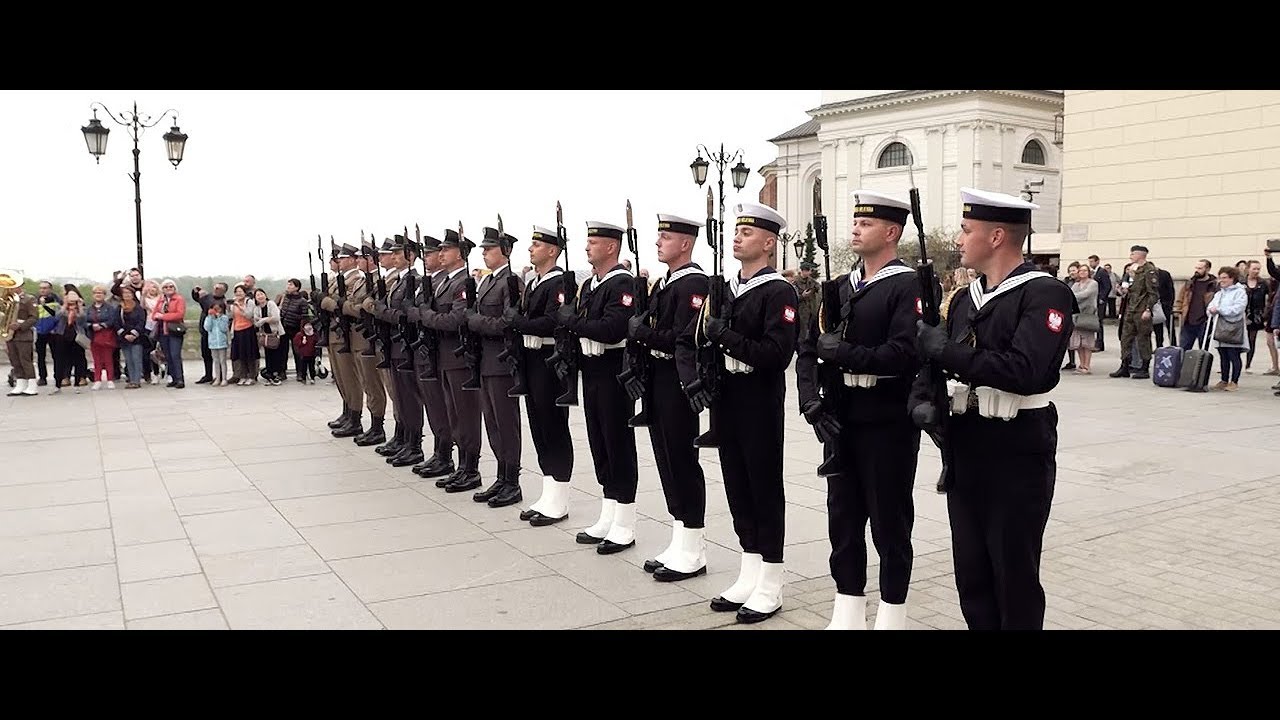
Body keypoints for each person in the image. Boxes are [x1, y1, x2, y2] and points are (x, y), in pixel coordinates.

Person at [911, 187, 1073, 631]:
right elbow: (943, 364)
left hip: (1017, 443)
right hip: (966, 442)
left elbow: (1027, 370)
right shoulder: (965, 298)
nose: (959, 240)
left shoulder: (1045, 295)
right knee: (972, 573)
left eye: (966, 230)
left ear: (997, 236)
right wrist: (924, 395)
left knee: (1013, 574)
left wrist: (946, 352)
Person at [796, 190, 922, 630]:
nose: (855, 228)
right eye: (854, 222)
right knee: (842, 520)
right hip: (841, 414)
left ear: (892, 232)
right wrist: (810, 400)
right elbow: (808, 349)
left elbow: (906, 353)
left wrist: (848, 353)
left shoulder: (907, 284)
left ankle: (892, 614)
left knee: (889, 522)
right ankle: (848, 608)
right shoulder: (840, 286)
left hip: (886, 417)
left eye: (865, 224)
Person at [677, 201, 799, 624]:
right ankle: (749, 569)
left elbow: (776, 354)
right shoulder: (724, 288)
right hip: (727, 397)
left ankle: (772, 579)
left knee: (764, 488)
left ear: (768, 243)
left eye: (747, 234)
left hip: (759, 398)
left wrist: (725, 336)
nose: (737, 238)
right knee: (736, 486)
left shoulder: (778, 292)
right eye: (736, 231)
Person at [627, 213, 710, 581]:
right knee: (665, 458)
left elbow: (683, 336)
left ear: (685, 243)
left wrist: (643, 333)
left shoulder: (694, 284)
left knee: (681, 460)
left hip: (678, 380)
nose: (659, 241)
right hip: (659, 376)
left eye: (666, 236)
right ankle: (680, 537)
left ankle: (694, 546)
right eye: (659, 235)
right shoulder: (666, 282)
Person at [557, 219, 639, 554]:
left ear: (611, 247)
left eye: (594, 242)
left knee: (617, 443)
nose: (587, 246)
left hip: (612, 371)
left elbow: (612, 329)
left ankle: (625, 521)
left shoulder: (623, 284)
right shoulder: (590, 285)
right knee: (599, 444)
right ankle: (609, 511)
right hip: (591, 370)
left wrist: (572, 322)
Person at [511, 225, 575, 526]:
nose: (531, 248)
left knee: (554, 428)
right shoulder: (534, 282)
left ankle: (559, 498)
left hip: (550, 362)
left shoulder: (557, 282)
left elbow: (553, 321)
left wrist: (520, 322)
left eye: (537, 245)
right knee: (539, 427)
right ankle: (549, 491)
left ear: (552, 250)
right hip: (532, 359)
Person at [420, 228, 483, 491]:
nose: (441, 253)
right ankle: (460, 466)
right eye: (441, 249)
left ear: (461, 254)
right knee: (453, 414)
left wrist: (425, 316)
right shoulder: (445, 282)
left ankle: (471, 469)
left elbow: (456, 320)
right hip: (444, 357)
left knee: (466, 415)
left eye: (447, 249)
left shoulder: (463, 283)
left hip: (459, 358)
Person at [466, 227, 525, 507]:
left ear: (506, 251)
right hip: (485, 363)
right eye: (484, 249)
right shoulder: (489, 281)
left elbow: (508, 323)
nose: (484, 253)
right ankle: (501, 477)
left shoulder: (511, 282)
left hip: (502, 363)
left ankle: (513, 481)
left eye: (489, 249)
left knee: (506, 424)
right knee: (492, 423)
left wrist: (476, 323)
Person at [371, 234, 424, 468]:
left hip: (405, 346)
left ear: (410, 256)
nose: (392, 256)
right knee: (400, 398)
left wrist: (381, 311)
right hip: (394, 345)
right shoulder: (399, 281)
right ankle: (405, 441)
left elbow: (404, 314)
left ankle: (414, 445)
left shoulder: (415, 280)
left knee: (409, 398)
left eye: (397, 252)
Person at [408, 234, 457, 480]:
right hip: (428, 350)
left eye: (436, 252)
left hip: (446, 353)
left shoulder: (452, 282)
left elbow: (448, 318)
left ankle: (448, 456)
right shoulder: (431, 282)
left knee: (447, 407)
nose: (431, 257)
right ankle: (440, 453)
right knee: (435, 406)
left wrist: (421, 314)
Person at [348, 238, 390, 447]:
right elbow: (354, 304)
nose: (358, 261)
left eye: (362, 257)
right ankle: (374, 425)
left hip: (374, 338)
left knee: (377, 384)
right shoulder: (361, 281)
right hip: (362, 336)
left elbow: (360, 305)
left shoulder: (380, 280)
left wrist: (360, 305)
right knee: (367, 382)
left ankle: (380, 427)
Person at [321, 243, 366, 435]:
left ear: (351, 259)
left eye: (342, 257)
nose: (338, 261)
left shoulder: (356, 278)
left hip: (346, 333)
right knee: (340, 376)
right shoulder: (339, 279)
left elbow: (344, 303)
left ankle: (354, 417)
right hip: (335, 332)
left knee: (350, 377)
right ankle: (347, 412)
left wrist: (324, 301)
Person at [1110, 245, 1160, 380]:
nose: (1130, 256)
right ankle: (1125, 365)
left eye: (1133, 254)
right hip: (1130, 309)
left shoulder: (1149, 271)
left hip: (1141, 309)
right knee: (1126, 338)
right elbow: (1133, 290)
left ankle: (1144, 367)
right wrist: (1123, 290)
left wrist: (1148, 309)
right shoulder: (1132, 270)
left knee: (1143, 338)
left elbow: (1153, 293)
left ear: (1140, 255)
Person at [1208, 266, 1247, 391]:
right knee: (1223, 354)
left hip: (1233, 328)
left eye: (1224, 278)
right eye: (1220, 277)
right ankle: (1224, 379)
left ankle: (1234, 381)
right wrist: (1211, 310)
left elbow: (1238, 309)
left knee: (1233, 354)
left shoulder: (1240, 292)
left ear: (1232, 278)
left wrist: (1220, 310)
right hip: (1219, 328)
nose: (1221, 280)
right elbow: (1211, 306)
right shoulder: (1219, 293)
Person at [4, 275, 38, 396]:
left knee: (25, 360)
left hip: (23, 335)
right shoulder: (6, 299)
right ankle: (20, 383)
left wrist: (19, 325)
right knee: (15, 360)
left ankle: (32, 385)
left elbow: (34, 317)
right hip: (10, 335)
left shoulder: (29, 299)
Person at [1175, 259, 1218, 351]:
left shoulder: (1213, 285)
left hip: (1204, 322)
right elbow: (1180, 298)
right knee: (1183, 349)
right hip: (1188, 321)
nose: (1197, 270)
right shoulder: (1190, 283)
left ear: (1208, 269)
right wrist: (1179, 311)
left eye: (1200, 268)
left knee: (1203, 350)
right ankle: (1184, 365)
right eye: (1196, 268)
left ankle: (1203, 366)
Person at [152, 279, 186, 388]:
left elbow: (179, 314)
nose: (168, 288)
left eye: (171, 286)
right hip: (163, 331)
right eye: (166, 287)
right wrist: (160, 316)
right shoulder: (161, 300)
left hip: (174, 330)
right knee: (168, 356)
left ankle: (180, 379)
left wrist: (163, 316)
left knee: (175, 355)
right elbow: (154, 315)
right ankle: (173, 378)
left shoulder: (179, 299)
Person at [191, 282, 227, 384]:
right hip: (205, 329)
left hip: (217, 333)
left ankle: (219, 376)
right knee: (206, 354)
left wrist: (203, 296)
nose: (216, 289)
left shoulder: (222, 301)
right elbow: (197, 298)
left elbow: (208, 308)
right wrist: (196, 291)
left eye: (219, 288)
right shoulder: (208, 296)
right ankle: (208, 374)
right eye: (215, 287)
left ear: (223, 291)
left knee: (219, 357)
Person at [85, 286, 119, 390]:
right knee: (96, 360)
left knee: (108, 359)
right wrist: (91, 326)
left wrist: (102, 325)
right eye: (96, 293)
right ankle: (97, 380)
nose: (98, 295)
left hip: (106, 336)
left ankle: (109, 379)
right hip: (94, 336)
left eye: (100, 293)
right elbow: (84, 321)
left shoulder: (110, 308)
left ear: (104, 295)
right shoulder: (89, 308)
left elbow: (113, 320)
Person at [1069, 264, 1100, 374]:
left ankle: (1087, 366)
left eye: (1085, 270)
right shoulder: (1076, 284)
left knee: (1087, 342)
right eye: (1080, 270)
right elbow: (1071, 294)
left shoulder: (1093, 283)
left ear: (1088, 272)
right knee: (1078, 342)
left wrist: (1072, 295)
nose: (1082, 272)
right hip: (1076, 315)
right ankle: (1081, 364)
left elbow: (1085, 294)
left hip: (1088, 315)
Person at [116, 286, 149, 388]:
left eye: (129, 293)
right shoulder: (119, 308)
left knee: (136, 358)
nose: (127, 295)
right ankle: (131, 379)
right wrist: (124, 335)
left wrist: (134, 334)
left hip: (136, 337)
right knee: (128, 360)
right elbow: (116, 322)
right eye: (125, 293)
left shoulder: (138, 308)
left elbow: (141, 321)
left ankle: (137, 380)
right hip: (124, 338)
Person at [33, 281, 61, 387]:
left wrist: (44, 305)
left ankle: (58, 377)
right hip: (40, 331)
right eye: (41, 288)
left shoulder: (56, 300)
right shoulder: (35, 301)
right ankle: (42, 377)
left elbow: (57, 315)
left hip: (53, 332)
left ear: (50, 289)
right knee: (40, 356)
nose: (43, 290)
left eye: (45, 288)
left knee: (56, 355)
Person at [204, 301, 231, 386]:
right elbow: (207, 328)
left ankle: (224, 378)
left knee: (223, 360)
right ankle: (217, 378)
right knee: (216, 361)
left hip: (222, 342)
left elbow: (224, 329)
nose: (216, 310)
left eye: (218, 309)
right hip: (213, 342)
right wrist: (210, 317)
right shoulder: (209, 318)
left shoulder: (224, 318)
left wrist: (219, 318)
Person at [1087, 255, 1111, 352]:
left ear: (1097, 262)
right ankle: (1093, 342)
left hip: (1100, 300)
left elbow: (1107, 286)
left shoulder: (1102, 272)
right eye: (1089, 262)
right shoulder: (1091, 273)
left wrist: (1102, 298)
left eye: (1092, 261)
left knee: (1099, 322)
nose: (1090, 264)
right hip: (1092, 300)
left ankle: (1100, 343)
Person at [793, 261, 821, 343]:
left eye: (810, 271)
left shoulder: (811, 281)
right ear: (803, 271)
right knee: (802, 332)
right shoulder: (796, 282)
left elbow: (819, 288)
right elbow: (793, 297)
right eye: (808, 270)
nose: (809, 272)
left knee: (812, 330)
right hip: (801, 311)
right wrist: (803, 296)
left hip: (812, 309)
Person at [293, 320, 319, 385]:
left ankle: (312, 378)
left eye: (310, 325)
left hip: (312, 354)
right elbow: (295, 343)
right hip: (303, 354)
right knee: (303, 367)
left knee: (311, 367)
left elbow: (317, 343)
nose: (308, 327)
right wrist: (301, 343)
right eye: (306, 325)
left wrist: (317, 354)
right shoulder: (300, 335)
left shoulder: (314, 335)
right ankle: (303, 378)